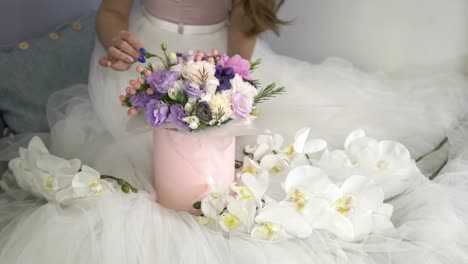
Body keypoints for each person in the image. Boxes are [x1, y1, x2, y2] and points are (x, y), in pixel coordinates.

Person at [1, 0, 468, 263]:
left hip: (217, 60)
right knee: (145, 156)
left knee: (247, 141)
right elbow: (112, 12)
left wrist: (232, 84)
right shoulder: (131, 47)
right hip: (143, 57)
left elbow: (242, 37)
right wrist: (117, 41)